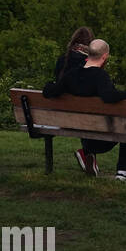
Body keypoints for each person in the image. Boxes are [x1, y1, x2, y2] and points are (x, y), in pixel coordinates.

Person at [42, 39, 126, 185]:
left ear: (89, 53)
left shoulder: (71, 75)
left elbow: (49, 92)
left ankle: (124, 172)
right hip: (103, 136)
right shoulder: (100, 76)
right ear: (105, 57)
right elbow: (109, 96)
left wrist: (50, 84)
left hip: (84, 131)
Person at [53, 26, 97, 174]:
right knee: (89, 112)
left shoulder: (62, 61)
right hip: (83, 117)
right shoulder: (89, 62)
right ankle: (88, 153)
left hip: (60, 117)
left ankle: (89, 156)